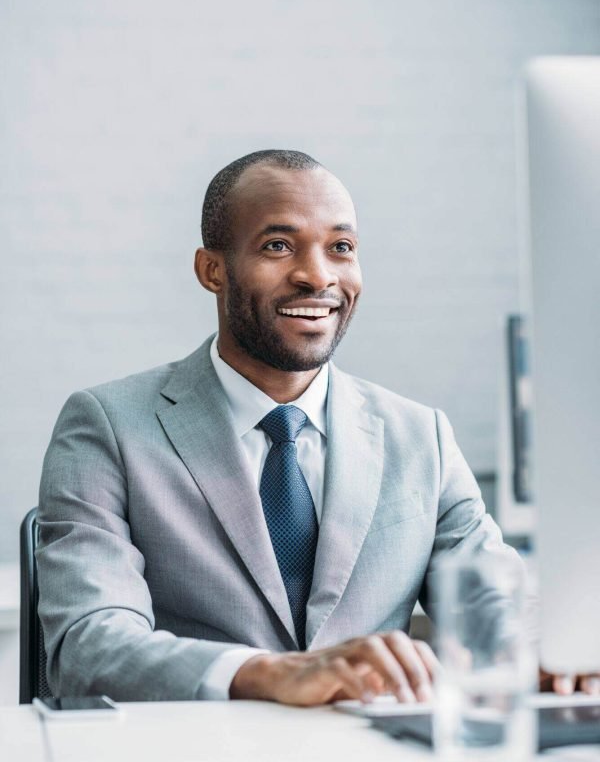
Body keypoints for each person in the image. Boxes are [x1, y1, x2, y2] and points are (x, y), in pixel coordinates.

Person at [37, 150, 596, 704]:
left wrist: (558, 654)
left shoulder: (418, 435)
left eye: (341, 248)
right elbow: (88, 645)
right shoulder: (108, 425)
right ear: (212, 270)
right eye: (278, 246)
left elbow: (496, 604)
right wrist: (269, 674)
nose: (317, 276)